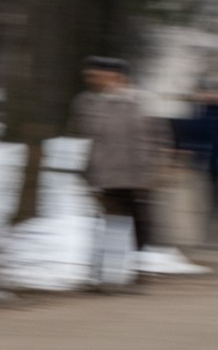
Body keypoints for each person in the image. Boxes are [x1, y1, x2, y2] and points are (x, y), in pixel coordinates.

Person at [68, 56, 168, 288]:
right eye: (89, 75)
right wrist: (87, 171)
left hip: (138, 176)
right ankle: (103, 275)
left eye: (96, 75)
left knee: (139, 225)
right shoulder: (86, 103)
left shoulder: (141, 102)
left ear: (115, 76)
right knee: (108, 224)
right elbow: (83, 138)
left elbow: (159, 137)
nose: (91, 79)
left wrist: (156, 170)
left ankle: (137, 269)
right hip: (105, 176)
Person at [179, 75, 218, 247]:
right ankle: (207, 235)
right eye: (214, 92)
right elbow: (190, 134)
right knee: (203, 202)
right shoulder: (200, 113)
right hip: (201, 164)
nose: (217, 96)